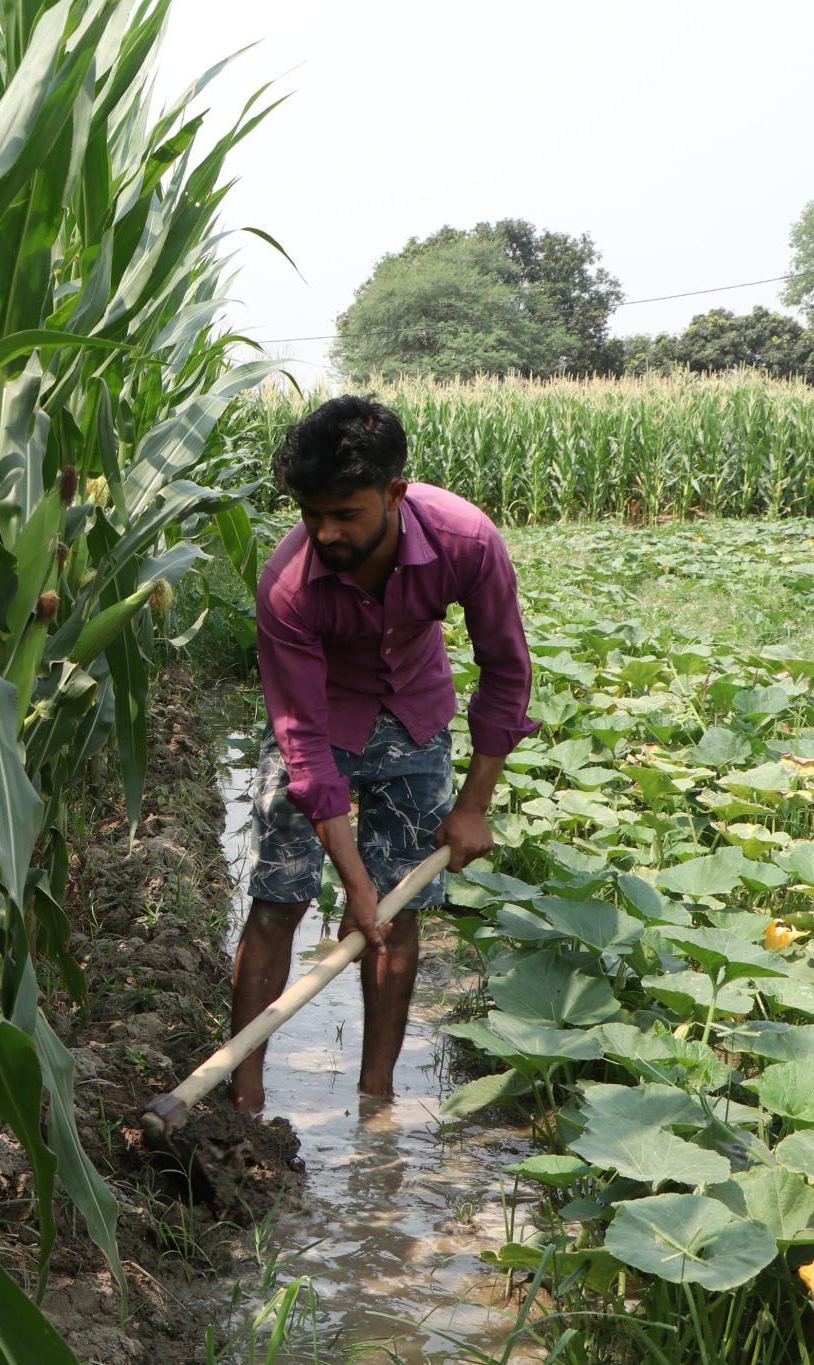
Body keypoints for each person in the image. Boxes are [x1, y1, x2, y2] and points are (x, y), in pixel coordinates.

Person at [232, 394, 536, 1111]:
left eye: (347, 515)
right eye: (312, 515)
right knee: (279, 898)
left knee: (397, 918)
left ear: (394, 492)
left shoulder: (467, 541)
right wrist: (352, 880)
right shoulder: (286, 584)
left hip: (413, 709)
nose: (326, 532)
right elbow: (302, 742)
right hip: (322, 715)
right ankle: (242, 1094)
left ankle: (377, 1099)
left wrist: (472, 807)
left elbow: (507, 670)